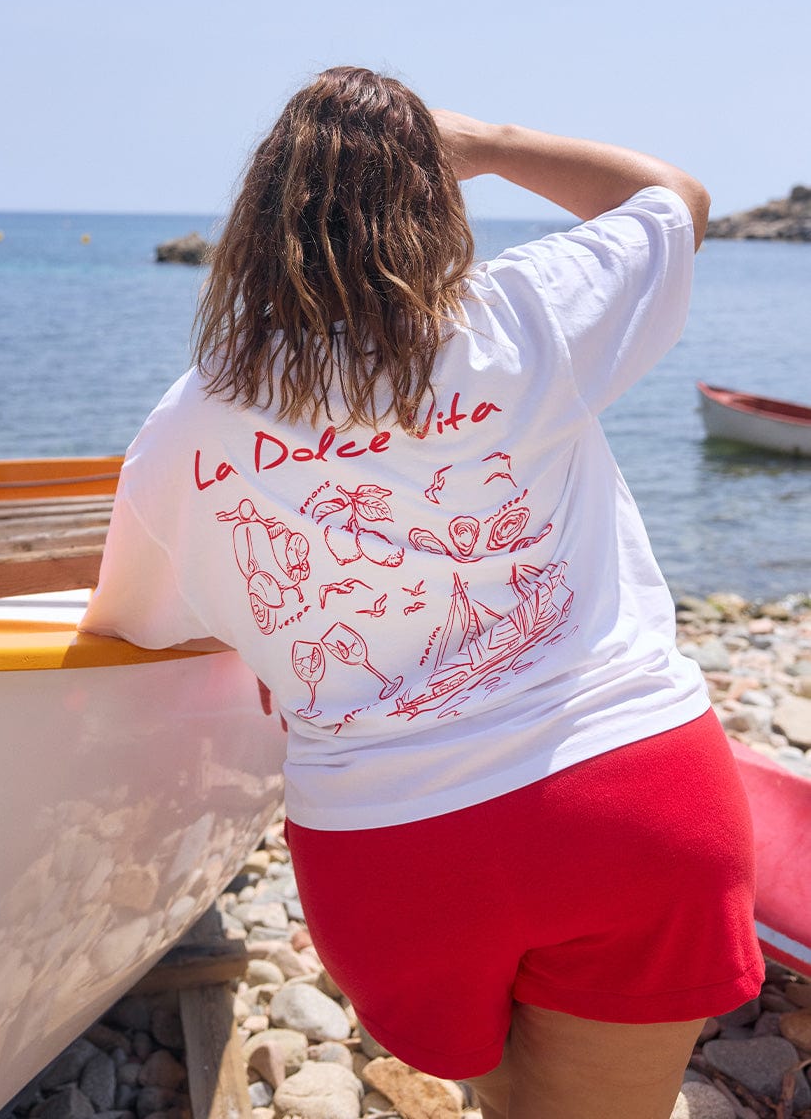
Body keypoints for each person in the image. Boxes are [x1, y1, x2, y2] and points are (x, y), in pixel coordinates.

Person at [80, 67, 764, 1119]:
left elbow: (127, 626)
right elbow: (675, 196)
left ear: (263, 216)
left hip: (397, 842)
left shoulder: (192, 424)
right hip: (635, 798)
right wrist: (484, 139)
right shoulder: (524, 319)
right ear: (433, 203)